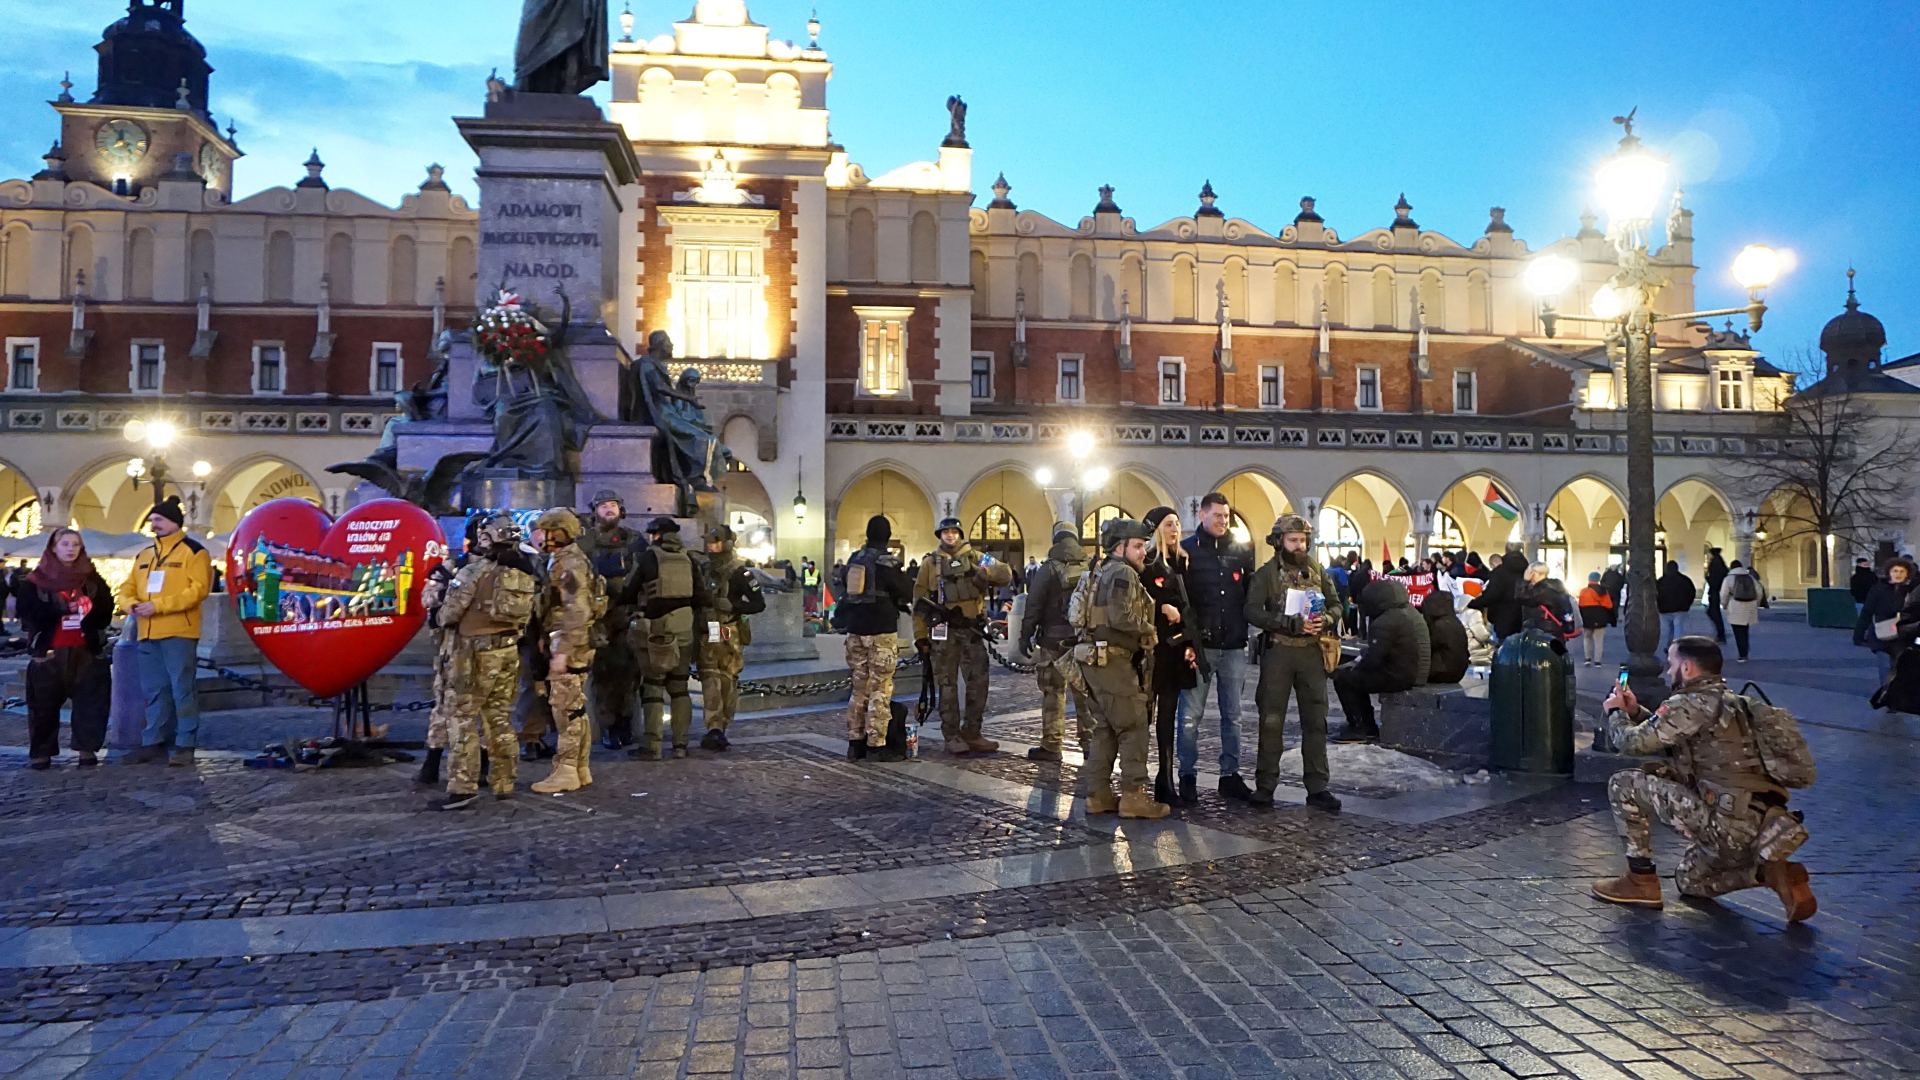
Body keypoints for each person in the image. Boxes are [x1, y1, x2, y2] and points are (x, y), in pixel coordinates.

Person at [1591, 636, 1816, 922]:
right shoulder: (1737, 705)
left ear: (1686, 668)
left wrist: (1617, 713)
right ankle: (1767, 872)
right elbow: (1674, 741)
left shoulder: (1690, 704)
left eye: (1671, 663)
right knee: (1689, 882)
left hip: (1723, 825)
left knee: (1623, 784)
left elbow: (1631, 744)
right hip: (1761, 827)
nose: (1668, 671)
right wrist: (1636, 712)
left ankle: (1640, 881)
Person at [433, 513, 537, 810]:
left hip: (473, 653)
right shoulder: (524, 572)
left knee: (463, 717)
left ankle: (463, 787)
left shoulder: (474, 572)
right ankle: (504, 781)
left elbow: (449, 613)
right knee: (499, 716)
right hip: (506, 650)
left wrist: (438, 614)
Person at [1069, 517, 1168, 820]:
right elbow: (1121, 616)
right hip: (1112, 661)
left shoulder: (1099, 570)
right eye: (1138, 546)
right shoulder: (1122, 573)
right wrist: (1150, 628)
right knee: (1133, 726)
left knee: (1105, 729)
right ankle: (1134, 796)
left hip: (1093, 659)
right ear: (1120, 547)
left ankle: (1098, 795)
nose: (1143, 553)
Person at [1243, 514, 1343, 812]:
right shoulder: (1267, 574)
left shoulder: (1317, 570)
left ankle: (1318, 786)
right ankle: (1265, 786)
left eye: (1303, 540)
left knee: (1316, 720)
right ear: (1279, 542)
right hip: (1279, 652)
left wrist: (1324, 619)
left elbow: (1337, 604)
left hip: (1312, 652)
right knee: (1271, 721)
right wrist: (1285, 622)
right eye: (1293, 540)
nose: (1299, 546)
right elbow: (1251, 610)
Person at [115, 496, 213, 766]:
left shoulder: (194, 551)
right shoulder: (145, 554)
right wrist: (130, 604)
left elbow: (198, 590)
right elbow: (127, 588)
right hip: (147, 632)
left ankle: (185, 744)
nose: (153, 524)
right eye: (152, 519)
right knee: (154, 690)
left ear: (174, 522)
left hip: (179, 631)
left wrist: (158, 606)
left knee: (182, 688)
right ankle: (153, 742)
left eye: (158, 519)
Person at [1175, 493, 1257, 805]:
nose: (1223, 520)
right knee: (1190, 716)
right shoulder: (1187, 551)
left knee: (1233, 715)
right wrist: (1186, 640)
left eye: (1226, 516)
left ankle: (1230, 775)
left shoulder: (1239, 550)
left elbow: (1249, 594)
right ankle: (1187, 774)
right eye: (1217, 515)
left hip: (1234, 644)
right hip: (1201, 647)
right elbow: (1181, 599)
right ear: (1202, 516)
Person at [14, 528, 113, 770]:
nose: (70, 549)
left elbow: (106, 608)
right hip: (49, 651)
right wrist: (61, 610)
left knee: (90, 703)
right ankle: (42, 753)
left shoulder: (91, 578)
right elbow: (27, 613)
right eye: (65, 544)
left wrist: (89, 612)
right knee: (43, 707)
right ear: (54, 548)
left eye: (75, 544)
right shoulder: (35, 581)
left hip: (86, 649)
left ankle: (86, 750)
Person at [913, 516, 1012, 755]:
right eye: (945, 532)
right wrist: (920, 635)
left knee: (978, 681)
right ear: (940, 535)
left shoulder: (976, 557)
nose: (950, 535)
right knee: (946, 684)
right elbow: (919, 601)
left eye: (953, 531)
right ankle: (952, 734)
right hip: (944, 630)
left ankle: (972, 732)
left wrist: (985, 572)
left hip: (972, 629)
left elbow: (1006, 573)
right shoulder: (930, 563)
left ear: (960, 533)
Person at [620, 517, 711, 759]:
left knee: (653, 686)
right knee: (680, 687)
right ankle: (680, 745)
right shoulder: (689, 558)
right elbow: (702, 596)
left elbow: (628, 591)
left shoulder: (649, 557)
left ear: (656, 535)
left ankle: (653, 745)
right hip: (684, 627)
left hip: (659, 630)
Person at [529, 508, 602, 794]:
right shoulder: (566, 559)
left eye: (546, 531)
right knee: (576, 707)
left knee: (566, 709)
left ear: (559, 532)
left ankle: (567, 769)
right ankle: (580, 767)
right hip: (572, 643)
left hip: (569, 646)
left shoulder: (568, 563)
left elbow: (576, 610)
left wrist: (562, 652)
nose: (541, 537)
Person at [578, 490, 648, 750]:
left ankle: (625, 724)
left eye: (613, 505)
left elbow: (646, 575)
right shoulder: (585, 542)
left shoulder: (634, 540)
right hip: (599, 619)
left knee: (629, 674)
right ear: (594, 510)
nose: (609, 510)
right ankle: (608, 727)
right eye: (604, 506)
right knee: (603, 676)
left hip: (627, 616)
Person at [841, 515, 913, 760]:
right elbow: (906, 590)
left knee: (858, 688)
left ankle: (855, 742)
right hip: (880, 630)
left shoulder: (854, 560)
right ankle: (876, 744)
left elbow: (843, 584)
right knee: (880, 688)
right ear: (886, 536)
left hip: (855, 631)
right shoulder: (887, 562)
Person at [1021, 521, 1094, 763]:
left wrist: (1025, 635)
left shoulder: (1048, 568)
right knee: (1085, 693)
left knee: (1053, 692)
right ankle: (1090, 743)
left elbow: (1033, 605)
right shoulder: (1089, 565)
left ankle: (1052, 745)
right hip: (1082, 641)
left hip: (1052, 642)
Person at [1141, 507, 1198, 808]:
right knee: (1154, 715)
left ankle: (1169, 777)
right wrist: (1161, 606)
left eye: (1177, 524)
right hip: (1158, 650)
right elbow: (1142, 601)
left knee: (1175, 715)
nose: (1174, 529)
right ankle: (1156, 779)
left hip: (1180, 649)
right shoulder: (1149, 564)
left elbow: (1191, 604)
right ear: (1156, 529)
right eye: (1168, 524)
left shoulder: (1183, 562)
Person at [1331, 578, 1430, 744]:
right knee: (1354, 677)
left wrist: (1352, 668)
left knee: (1344, 679)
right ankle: (1365, 724)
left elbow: (1374, 659)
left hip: (1400, 676)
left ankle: (1361, 727)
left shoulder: (1386, 621)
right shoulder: (1408, 612)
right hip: (1413, 671)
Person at [697, 524, 766, 751]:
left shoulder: (739, 572)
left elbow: (758, 604)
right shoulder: (704, 569)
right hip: (710, 629)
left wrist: (734, 605)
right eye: (709, 542)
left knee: (727, 679)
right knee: (709, 678)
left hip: (728, 629)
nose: (711, 546)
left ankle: (722, 725)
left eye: (715, 542)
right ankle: (713, 727)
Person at [1856, 559, 1915, 690]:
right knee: (1886, 666)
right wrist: (1859, 633)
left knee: (1901, 666)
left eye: (1902, 571)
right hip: (1883, 633)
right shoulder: (1879, 589)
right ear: (1889, 573)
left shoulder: (1912, 591)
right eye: (1895, 571)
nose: (1898, 574)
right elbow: (1867, 611)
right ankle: (1888, 695)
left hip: (1905, 635)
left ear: (1907, 574)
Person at [1468, 548, 1528, 641]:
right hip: (1523, 619)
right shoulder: (1527, 573)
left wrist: (1473, 603)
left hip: (1502, 618)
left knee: (1502, 648)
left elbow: (1492, 595)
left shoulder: (1500, 573)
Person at [1718, 560, 1766, 663]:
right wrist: (1756, 603)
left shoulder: (1729, 578)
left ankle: (1742, 654)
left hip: (1735, 606)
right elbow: (1759, 591)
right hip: (1749, 607)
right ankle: (1745, 652)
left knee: (1737, 632)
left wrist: (1724, 605)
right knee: (1745, 630)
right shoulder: (1750, 578)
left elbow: (1724, 594)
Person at [1420, 589, 1468, 685]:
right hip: (1459, 671)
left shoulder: (1439, 625)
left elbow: (1426, 647)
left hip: (1442, 671)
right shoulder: (1455, 621)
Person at [1654, 560, 1696, 649]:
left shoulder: (1661, 581)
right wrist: (1687, 605)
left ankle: (1668, 645)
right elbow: (1691, 593)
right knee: (1678, 628)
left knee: (1668, 629)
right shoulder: (1685, 580)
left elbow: (1655, 594)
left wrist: (1658, 605)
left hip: (1664, 609)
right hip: (1680, 609)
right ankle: (1677, 646)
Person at [1578, 572, 1616, 667]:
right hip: (1600, 617)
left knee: (1587, 638)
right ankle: (1597, 661)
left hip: (1587, 618)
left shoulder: (1583, 591)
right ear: (1598, 580)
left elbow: (1580, 606)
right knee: (1599, 640)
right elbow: (1609, 605)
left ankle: (1587, 659)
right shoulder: (1603, 591)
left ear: (1589, 579)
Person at [1704, 548, 1730, 644]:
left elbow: (1714, 579)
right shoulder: (1720, 562)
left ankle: (1721, 634)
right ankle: (1720, 634)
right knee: (1714, 613)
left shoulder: (1715, 563)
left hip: (1715, 592)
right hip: (1716, 591)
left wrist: (1708, 578)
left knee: (1714, 613)